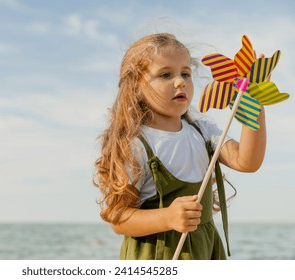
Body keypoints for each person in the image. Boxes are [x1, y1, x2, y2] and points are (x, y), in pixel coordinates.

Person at [93, 33, 266, 260]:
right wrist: (167, 217)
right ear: (136, 87)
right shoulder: (136, 145)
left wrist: (255, 103)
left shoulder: (204, 133)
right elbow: (118, 218)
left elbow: (247, 162)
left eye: (186, 73)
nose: (180, 81)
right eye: (166, 74)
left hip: (204, 250)